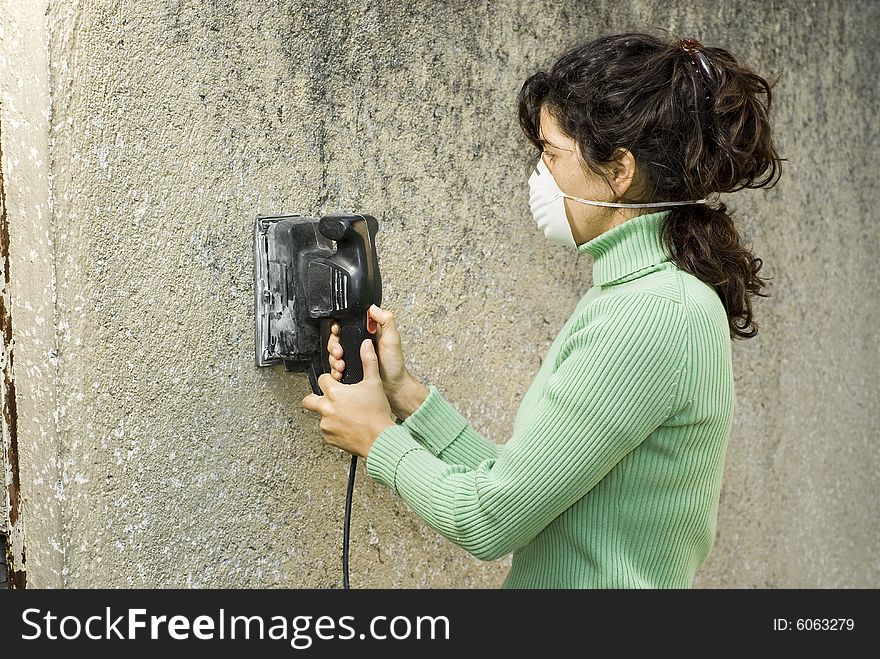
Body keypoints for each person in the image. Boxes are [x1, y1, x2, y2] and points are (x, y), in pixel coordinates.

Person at [301, 32, 782, 588]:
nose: (540, 174)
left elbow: (490, 520)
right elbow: (528, 494)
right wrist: (406, 394)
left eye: (553, 153)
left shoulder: (652, 314)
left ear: (618, 172)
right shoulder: (635, 295)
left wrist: (378, 438)